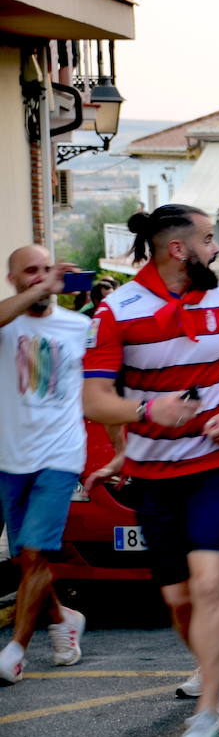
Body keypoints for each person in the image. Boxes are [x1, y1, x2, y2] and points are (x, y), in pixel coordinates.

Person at [83, 205, 219, 737]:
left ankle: (208, 711)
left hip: (215, 466)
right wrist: (148, 413)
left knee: (211, 583)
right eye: (209, 240)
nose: (217, 250)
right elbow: (93, 400)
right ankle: (217, 669)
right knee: (179, 598)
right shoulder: (118, 310)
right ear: (178, 250)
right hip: (152, 472)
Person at [0, 247, 90, 685]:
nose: (39, 278)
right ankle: (64, 619)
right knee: (24, 559)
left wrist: (116, 449)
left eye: (45, 269)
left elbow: (98, 389)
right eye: (29, 273)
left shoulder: (78, 326)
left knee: (36, 552)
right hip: (11, 457)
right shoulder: (7, 322)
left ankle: (15, 650)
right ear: (12, 280)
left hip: (60, 455)